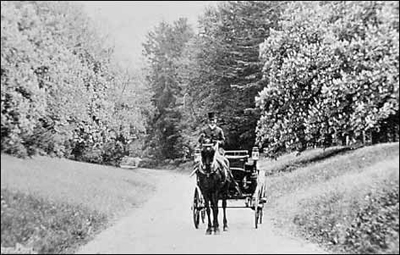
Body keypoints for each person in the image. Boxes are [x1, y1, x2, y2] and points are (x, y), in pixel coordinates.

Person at [198, 112, 242, 195]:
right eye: (210, 120)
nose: (212, 122)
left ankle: (229, 177)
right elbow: (200, 140)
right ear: (208, 121)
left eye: (213, 120)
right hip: (207, 150)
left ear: (216, 121)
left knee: (223, 162)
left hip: (218, 150)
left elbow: (224, 141)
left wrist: (218, 142)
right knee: (201, 161)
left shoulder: (219, 130)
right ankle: (200, 178)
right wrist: (204, 141)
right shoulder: (204, 131)